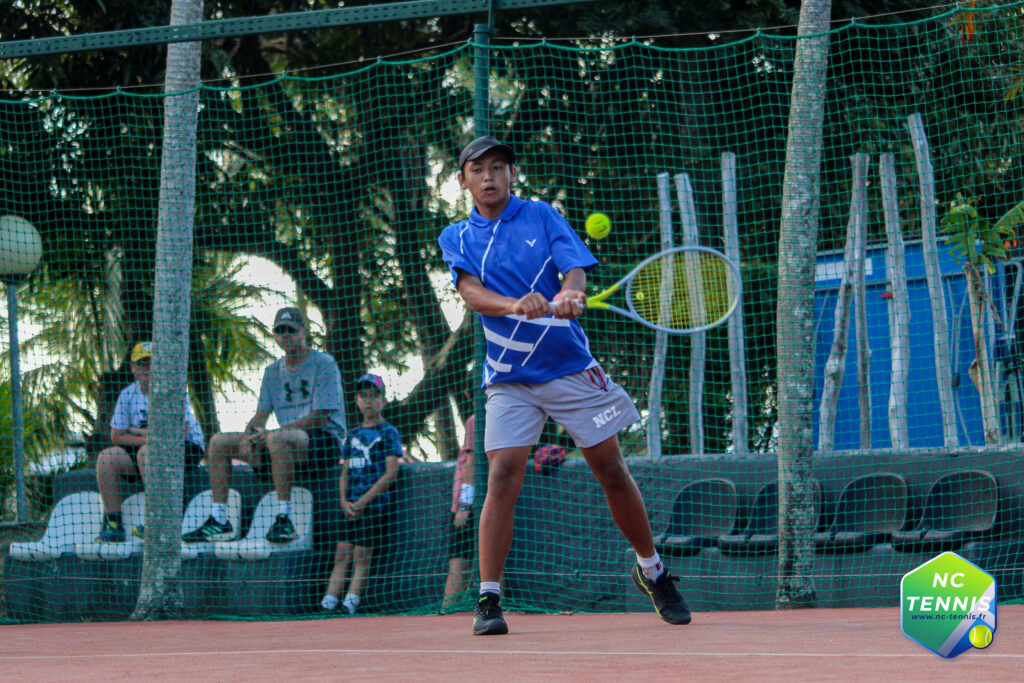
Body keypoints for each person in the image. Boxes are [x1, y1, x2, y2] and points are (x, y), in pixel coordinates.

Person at [437, 136, 691, 635]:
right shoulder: (457, 237)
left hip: (570, 369)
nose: (488, 177)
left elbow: (573, 270)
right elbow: (470, 292)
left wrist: (571, 293)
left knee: (610, 469)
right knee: (503, 475)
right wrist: (515, 305)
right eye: (477, 169)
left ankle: (653, 571)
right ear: (463, 180)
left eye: (498, 167)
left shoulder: (542, 216)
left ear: (512, 174)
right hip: (509, 378)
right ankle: (489, 599)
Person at [183, 307, 346, 544]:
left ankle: (284, 519)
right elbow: (260, 416)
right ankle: (218, 519)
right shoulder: (272, 372)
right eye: (280, 331)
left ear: (303, 332)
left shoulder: (323, 363)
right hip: (281, 443)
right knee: (219, 442)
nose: (285, 336)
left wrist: (270, 433)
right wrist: (249, 436)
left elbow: (319, 417)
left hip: (323, 442)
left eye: (291, 330)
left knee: (275, 438)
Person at [95, 341, 206, 542]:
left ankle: (159, 520)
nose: (147, 368)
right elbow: (116, 436)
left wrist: (138, 432)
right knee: (107, 457)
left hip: (186, 449)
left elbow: (180, 433)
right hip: (145, 453)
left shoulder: (173, 389)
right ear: (133, 368)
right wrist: (151, 437)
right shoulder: (127, 394)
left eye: (152, 363)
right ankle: (114, 524)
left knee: (147, 452)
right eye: (142, 364)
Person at [320, 373, 401, 615]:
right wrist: (344, 501)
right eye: (364, 397)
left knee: (361, 555)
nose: (369, 402)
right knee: (341, 553)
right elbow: (345, 472)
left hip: (373, 506)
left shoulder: (389, 433)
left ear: (383, 400)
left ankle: (350, 602)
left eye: (374, 396)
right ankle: (329, 602)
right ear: (356, 400)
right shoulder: (352, 435)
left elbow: (390, 473)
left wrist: (365, 501)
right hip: (349, 506)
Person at [441, 413, 477, 613]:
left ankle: (448, 611)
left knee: (459, 561)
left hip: (471, 505)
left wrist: (464, 505)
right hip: (491, 503)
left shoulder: (476, 420)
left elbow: (471, 462)